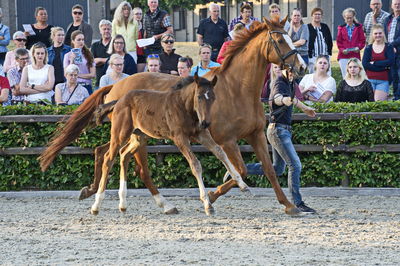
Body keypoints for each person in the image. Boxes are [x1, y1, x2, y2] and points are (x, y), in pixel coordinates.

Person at [225, 64, 317, 214]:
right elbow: (277, 97)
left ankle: (237, 170)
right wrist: (284, 100)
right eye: (290, 71)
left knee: (277, 169)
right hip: (278, 131)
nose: (293, 74)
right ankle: (297, 203)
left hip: (281, 130)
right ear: (284, 70)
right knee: (295, 165)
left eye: (295, 72)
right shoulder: (279, 82)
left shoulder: (291, 83)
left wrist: (305, 108)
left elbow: (293, 100)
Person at [363, 24, 395, 101]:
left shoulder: (389, 47)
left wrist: (374, 63)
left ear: (383, 34)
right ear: (372, 35)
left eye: (380, 33)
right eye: (376, 33)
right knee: (369, 103)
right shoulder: (368, 48)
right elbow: (365, 64)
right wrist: (383, 67)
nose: (378, 35)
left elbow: (390, 62)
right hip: (369, 80)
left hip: (383, 80)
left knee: (378, 103)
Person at [337, 8, 366, 78]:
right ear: (344, 17)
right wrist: (342, 50)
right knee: (345, 76)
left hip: (355, 55)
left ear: (353, 17)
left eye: (350, 18)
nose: (349, 20)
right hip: (343, 56)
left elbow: (362, 41)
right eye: (347, 18)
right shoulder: (341, 28)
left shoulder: (359, 27)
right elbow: (339, 42)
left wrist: (358, 48)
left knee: (356, 76)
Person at [307, 8, 333, 74]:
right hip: (313, 57)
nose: (317, 16)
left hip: (325, 55)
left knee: (327, 75)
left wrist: (329, 52)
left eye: (319, 14)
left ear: (321, 16)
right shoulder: (307, 27)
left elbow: (329, 40)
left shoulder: (325, 26)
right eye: (315, 14)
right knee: (314, 76)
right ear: (312, 15)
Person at [383, 0, 400, 100]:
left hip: (398, 50)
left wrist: (392, 45)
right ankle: (396, 97)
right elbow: (384, 34)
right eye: (395, 4)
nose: (397, 5)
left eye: (399, 4)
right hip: (390, 51)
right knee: (393, 75)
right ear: (392, 6)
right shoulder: (388, 19)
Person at [91, 20, 112, 89]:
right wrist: (109, 61)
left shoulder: (115, 44)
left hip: (113, 82)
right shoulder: (95, 45)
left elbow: (116, 61)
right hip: (99, 82)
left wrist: (99, 60)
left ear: (111, 30)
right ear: (100, 31)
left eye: (108, 29)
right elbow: (92, 63)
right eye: (104, 29)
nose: (106, 31)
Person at [133, 7, 146, 72]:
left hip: (141, 54)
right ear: (132, 15)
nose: (139, 16)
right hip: (132, 52)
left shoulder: (144, 26)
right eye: (137, 14)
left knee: (139, 74)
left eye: (140, 14)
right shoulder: (130, 27)